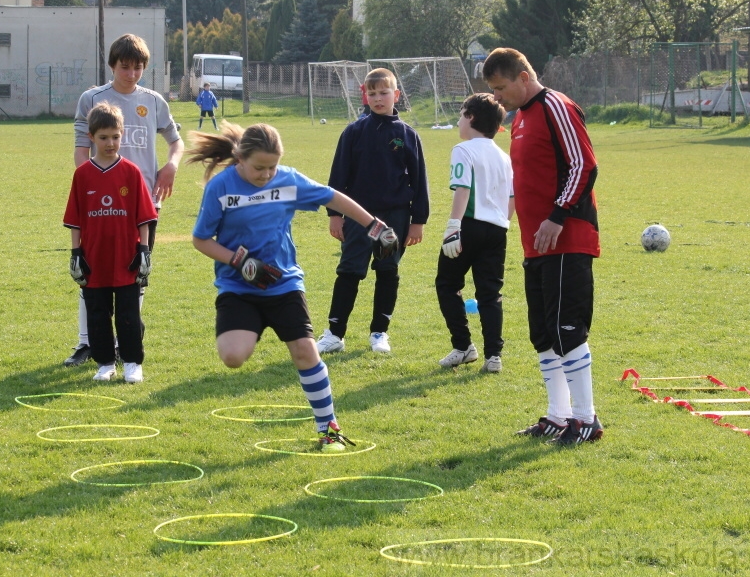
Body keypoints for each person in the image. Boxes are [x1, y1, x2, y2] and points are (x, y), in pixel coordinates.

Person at [188, 121, 398, 451]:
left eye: (272, 166)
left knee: (305, 351)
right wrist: (240, 262)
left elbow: (335, 198)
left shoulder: (288, 179)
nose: (266, 174)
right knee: (232, 357)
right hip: (238, 288)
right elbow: (201, 240)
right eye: (259, 167)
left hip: (283, 284)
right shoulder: (221, 188)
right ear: (240, 159)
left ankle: (329, 429)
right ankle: (251, 328)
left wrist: (374, 225)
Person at [482, 47, 603, 446]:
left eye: (500, 88)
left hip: (567, 237)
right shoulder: (520, 118)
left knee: (566, 329)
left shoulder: (555, 105)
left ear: (522, 76)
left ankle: (586, 420)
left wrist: (557, 215)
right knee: (543, 334)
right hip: (537, 244)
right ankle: (558, 416)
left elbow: (584, 165)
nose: (497, 97)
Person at [65, 33, 184, 367]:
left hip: (143, 203)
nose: (131, 74)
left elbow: (176, 141)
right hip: (100, 206)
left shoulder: (154, 101)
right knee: (91, 274)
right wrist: (89, 190)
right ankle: (86, 343)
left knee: (137, 272)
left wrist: (171, 166)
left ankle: (122, 344)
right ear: (112, 65)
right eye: (125, 67)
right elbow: (80, 149)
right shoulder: (92, 98)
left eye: (138, 67)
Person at [316, 68, 430, 355]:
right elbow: (338, 175)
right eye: (373, 93)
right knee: (350, 271)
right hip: (357, 217)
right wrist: (334, 215)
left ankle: (379, 332)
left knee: (387, 270)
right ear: (365, 96)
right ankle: (334, 333)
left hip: (393, 219)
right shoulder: (353, 132)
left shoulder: (407, 135)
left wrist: (418, 222)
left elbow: (419, 181)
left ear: (397, 95)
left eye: (384, 92)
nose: (378, 98)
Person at [63, 102, 158, 383]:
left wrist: (143, 250)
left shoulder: (131, 172)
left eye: (115, 136)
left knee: (128, 312)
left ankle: (132, 362)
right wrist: (76, 252)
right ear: (91, 137)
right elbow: (76, 219)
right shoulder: (82, 175)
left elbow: (144, 217)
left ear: (122, 134)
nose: (110, 143)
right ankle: (105, 363)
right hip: (94, 258)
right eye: (103, 137)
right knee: (97, 313)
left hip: (125, 257)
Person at [435, 93, 514, 373]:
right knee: (490, 294)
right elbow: (512, 198)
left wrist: (453, 226)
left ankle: (463, 346)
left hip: (469, 226)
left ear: (471, 117)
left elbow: (463, 189)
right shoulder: (505, 157)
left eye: (461, 113)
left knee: (447, 284)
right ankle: (494, 356)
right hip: (498, 230)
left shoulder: (463, 149)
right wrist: (502, 222)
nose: (458, 120)